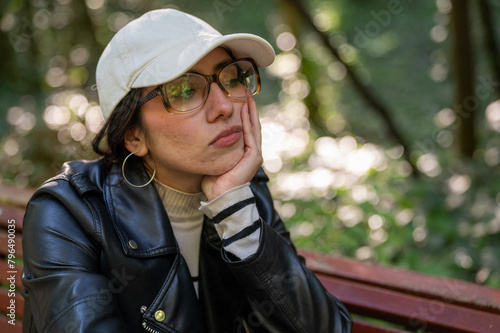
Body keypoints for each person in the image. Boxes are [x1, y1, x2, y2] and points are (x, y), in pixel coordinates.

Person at [21, 8, 352, 333]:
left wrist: (235, 213)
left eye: (232, 78)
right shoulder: (69, 213)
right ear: (134, 135)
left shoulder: (241, 188)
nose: (224, 106)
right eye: (184, 90)